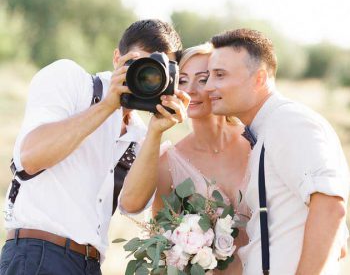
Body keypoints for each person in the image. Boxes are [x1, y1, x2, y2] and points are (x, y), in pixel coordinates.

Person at [0, 19, 188, 275]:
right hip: (38, 254)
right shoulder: (71, 80)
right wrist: (107, 106)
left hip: (90, 265)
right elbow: (30, 157)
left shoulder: (142, 136)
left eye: (156, 72)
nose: (145, 77)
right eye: (139, 65)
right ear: (116, 58)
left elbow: (131, 205)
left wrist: (157, 130)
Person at [204, 28, 349, 275]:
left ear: (259, 78)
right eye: (209, 76)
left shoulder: (289, 122)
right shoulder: (269, 128)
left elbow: (330, 208)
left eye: (219, 75)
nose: (208, 86)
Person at [147, 43, 251, 274]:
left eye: (202, 79)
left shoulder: (257, 144)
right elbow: (161, 246)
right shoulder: (168, 165)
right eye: (182, 81)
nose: (190, 90)